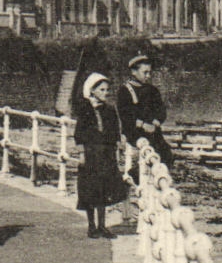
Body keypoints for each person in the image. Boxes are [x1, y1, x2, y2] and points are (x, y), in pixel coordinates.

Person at [74, 72, 125, 239]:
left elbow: (115, 132)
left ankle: (103, 225)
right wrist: (81, 154)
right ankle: (91, 226)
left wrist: (117, 149)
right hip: (90, 155)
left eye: (107, 90)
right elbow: (79, 133)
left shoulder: (109, 111)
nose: (106, 93)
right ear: (92, 91)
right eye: (102, 90)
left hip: (106, 155)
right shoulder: (85, 110)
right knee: (90, 190)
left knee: (104, 190)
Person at [116, 53, 173, 180]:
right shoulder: (125, 91)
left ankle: (151, 178)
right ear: (134, 72)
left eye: (149, 72)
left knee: (167, 154)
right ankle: (134, 175)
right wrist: (142, 124)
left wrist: (156, 121)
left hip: (153, 130)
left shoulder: (152, 90)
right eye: (145, 72)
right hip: (134, 131)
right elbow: (125, 115)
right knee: (151, 150)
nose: (148, 76)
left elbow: (161, 110)